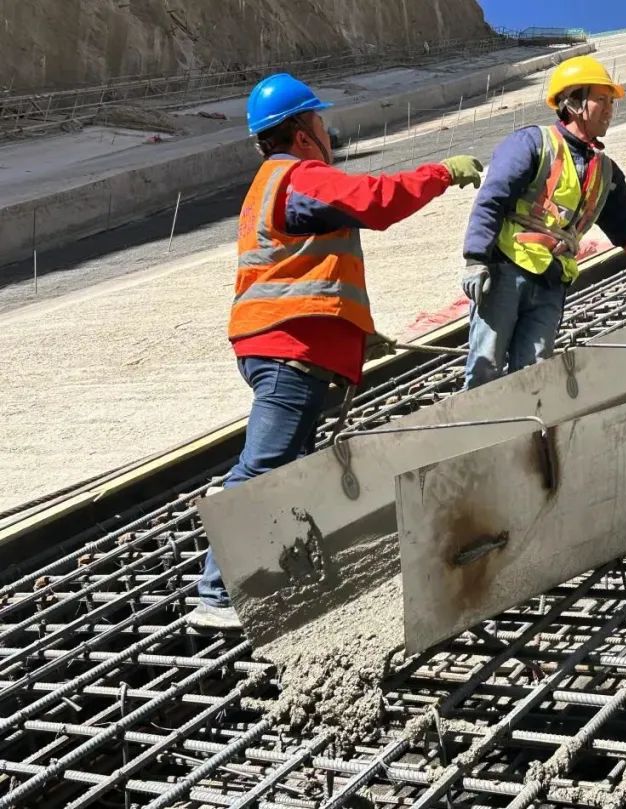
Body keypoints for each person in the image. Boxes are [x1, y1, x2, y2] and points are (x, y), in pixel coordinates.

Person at [188, 73, 484, 630]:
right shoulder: (300, 177)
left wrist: (352, 332)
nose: (328, 131)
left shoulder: (271, 185)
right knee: (265, 465)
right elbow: (374, 201)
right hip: (289, 348)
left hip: (284, 343)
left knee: (283, 469)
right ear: (302, 133)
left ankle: (263, 579)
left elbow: (303, 268)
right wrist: (441, 173)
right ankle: (216, 592)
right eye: (320, 122)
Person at [460, 55, 626, 390]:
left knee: (535, 377)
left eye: (611, 101)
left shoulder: (605, 172)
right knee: (486, 369)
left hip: (550, 283)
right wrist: (475, 259)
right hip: (504, 273)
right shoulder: (532, 143)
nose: (611, 108)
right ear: (572, 102)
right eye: (601, 99)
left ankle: (521, 440)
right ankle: (476, 437)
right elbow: (492, 198)